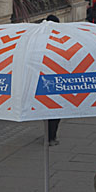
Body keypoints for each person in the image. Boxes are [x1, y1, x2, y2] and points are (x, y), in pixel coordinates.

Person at [45, 14, 61, 145]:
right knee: (55, 111)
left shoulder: (41, 37)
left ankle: (49, 135)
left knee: (48, 110)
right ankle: (51, 137)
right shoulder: (57, 39)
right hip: (55, 79)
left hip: (45, 79)